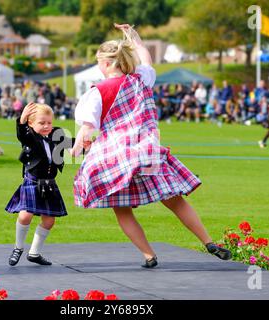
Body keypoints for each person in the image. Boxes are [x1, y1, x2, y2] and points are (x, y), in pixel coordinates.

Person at [70, 23, 231, 268]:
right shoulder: (142, 79)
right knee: (175, 200)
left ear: (106, 64)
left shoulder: (97, 92)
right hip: (146, 153)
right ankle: (208, 242)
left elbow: (87, 128)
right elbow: (145, 55)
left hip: (115, 159)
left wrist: (75, 149)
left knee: (122, 210)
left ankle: (149, 255)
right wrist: (133, 37)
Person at [5, 103, 74, 266]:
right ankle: (18, 247)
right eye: (41, 123)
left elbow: (72, 143)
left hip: (49, 183)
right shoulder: (30, 136)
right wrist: (21, 121)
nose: (46, 126)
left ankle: (34, 253)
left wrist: (85, 144)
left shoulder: (56, 133)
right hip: (32, 181)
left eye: (49, 122)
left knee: (49, 221)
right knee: (25, 215)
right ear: (31, 124)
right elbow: (22, 134)